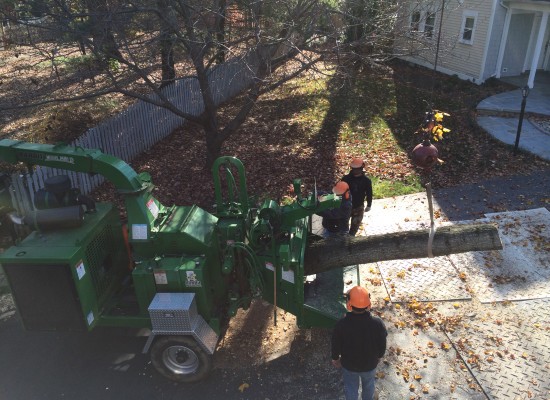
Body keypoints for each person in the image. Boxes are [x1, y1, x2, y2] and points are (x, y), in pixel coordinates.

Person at [331, 286, 387, 400]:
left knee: (351, 386)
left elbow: (335, 344)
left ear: (349, 305)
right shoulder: (378, 323)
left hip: (349, 365)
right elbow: (382, 343)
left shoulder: (341, 324)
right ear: (369, 305)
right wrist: (380, 356)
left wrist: (335, 358)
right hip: (370, 364)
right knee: (369, 385)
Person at [342, 158, 373, 236]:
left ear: (361, 168)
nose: (355, 171)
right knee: (343, 226)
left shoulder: (366, 181)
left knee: (355, 226)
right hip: (346, 206)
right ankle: (343, 239)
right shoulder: (346, 179)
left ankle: (351, 238)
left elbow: (369, 193)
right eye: (354, 169)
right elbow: (340, 191)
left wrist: (369, 205)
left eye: (357, 169)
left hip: (358, 207)